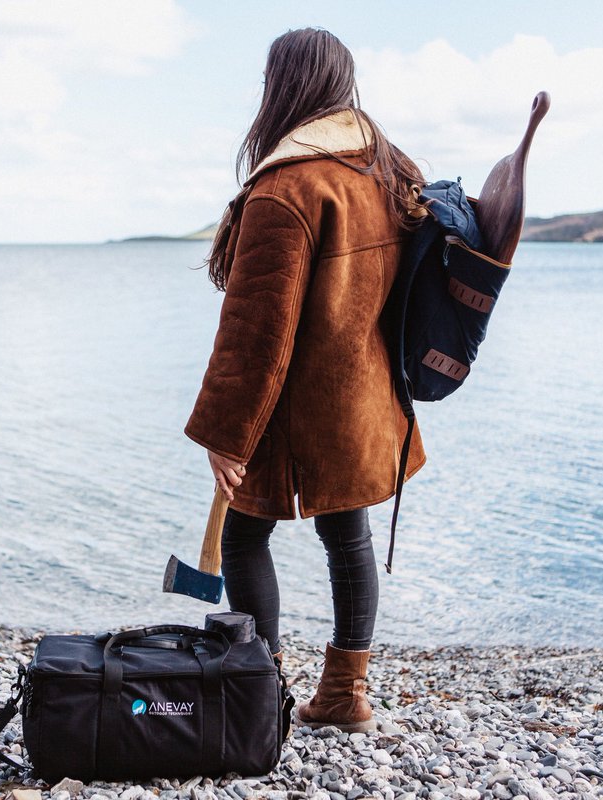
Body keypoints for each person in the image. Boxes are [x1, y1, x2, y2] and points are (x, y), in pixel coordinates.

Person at [183, 27, 429, 734]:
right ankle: (344, 694)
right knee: (346, 537)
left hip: (291, 405)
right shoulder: (389, 169)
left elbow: (256, 331)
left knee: (245, 539)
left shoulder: (287, 186)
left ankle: (259, 697)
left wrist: (227, 433)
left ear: (285, 86)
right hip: (366, 399)